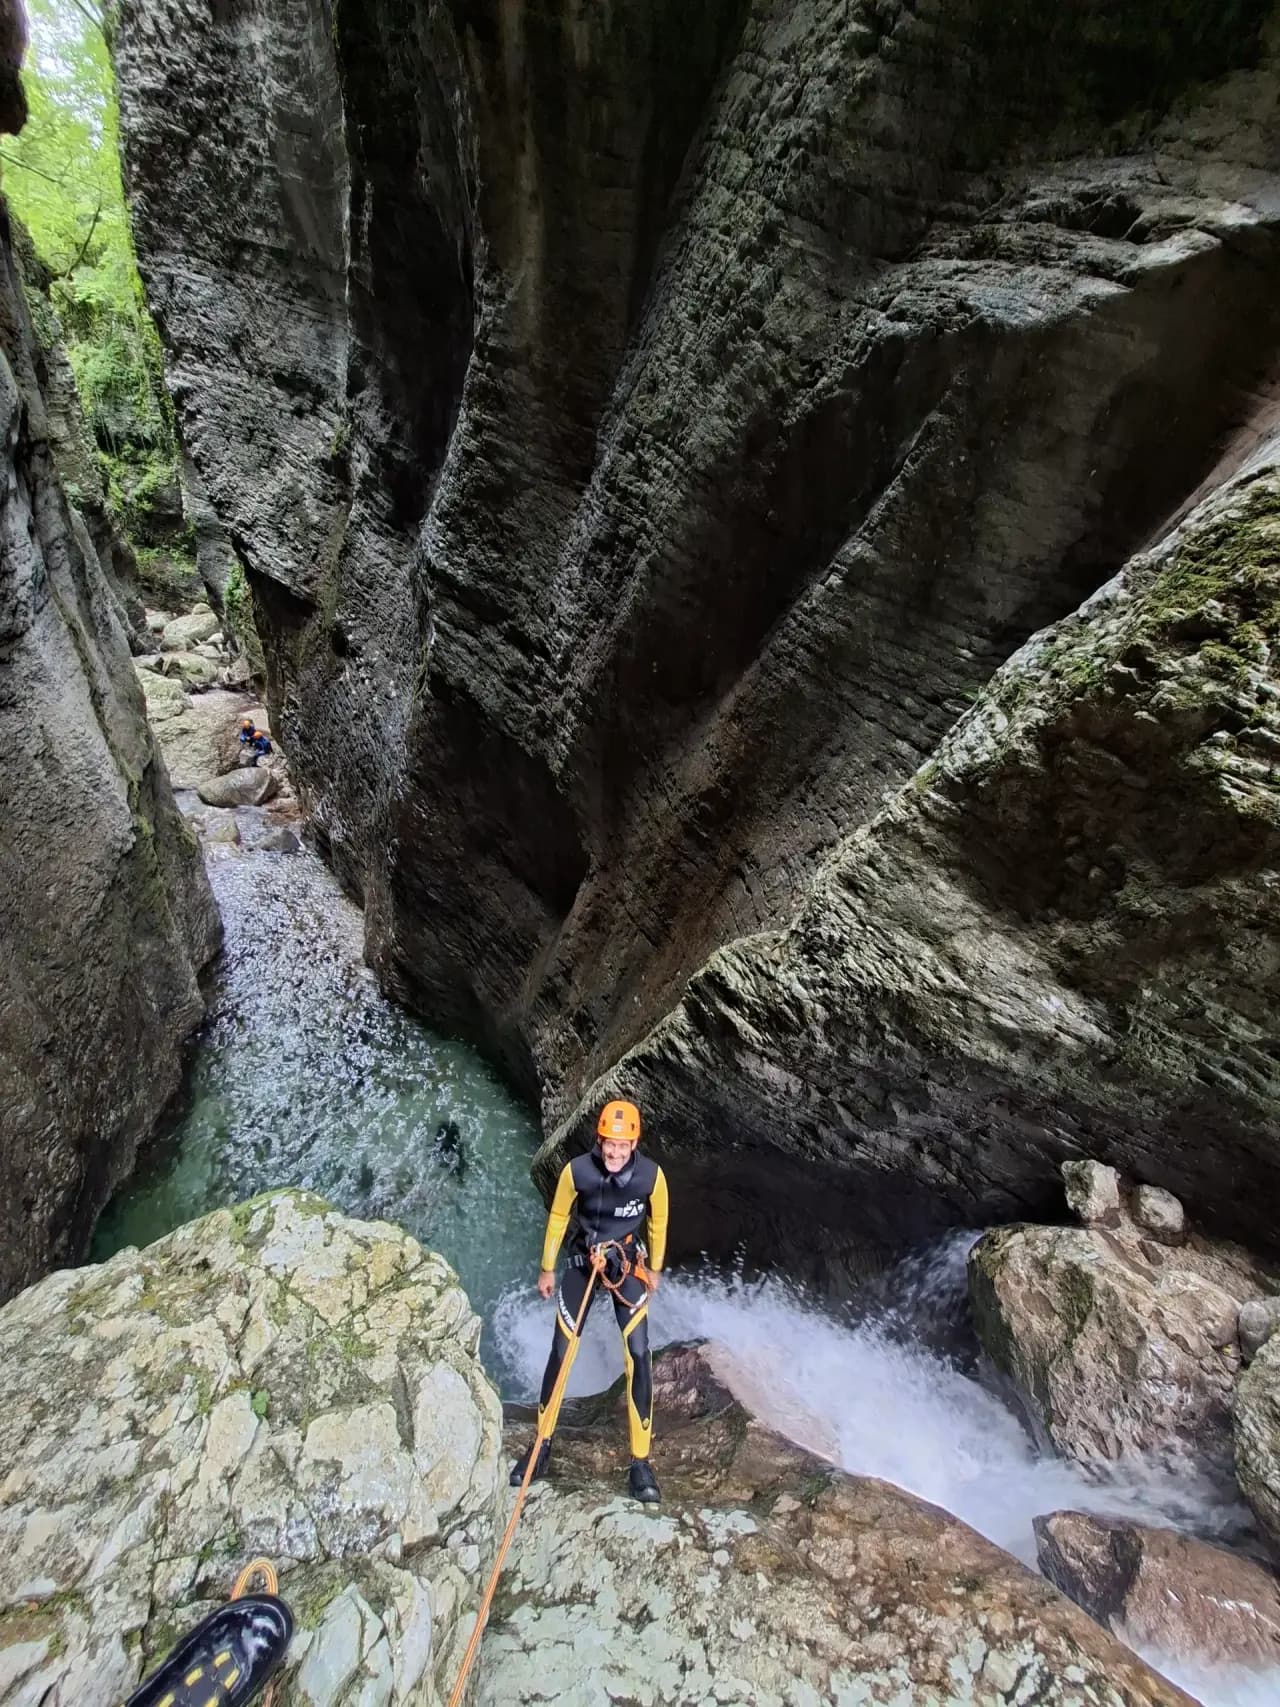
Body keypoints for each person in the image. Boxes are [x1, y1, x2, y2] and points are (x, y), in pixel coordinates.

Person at [510, 1098, 669, 1503]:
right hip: (585, 1263)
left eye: (623, 1145)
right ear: (600, 1140)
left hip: (626, 1265)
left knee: (638, 1353)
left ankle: (640, 1462)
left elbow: (658, 1221)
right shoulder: (576, 1171)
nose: (615, 1153)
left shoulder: (651, 1177)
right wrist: (547, 1268)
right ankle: (541, 1445)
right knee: (562, 1352)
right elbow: (559, 1217)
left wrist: (655, 1267)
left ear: (634, 1143)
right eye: (609, 1144)